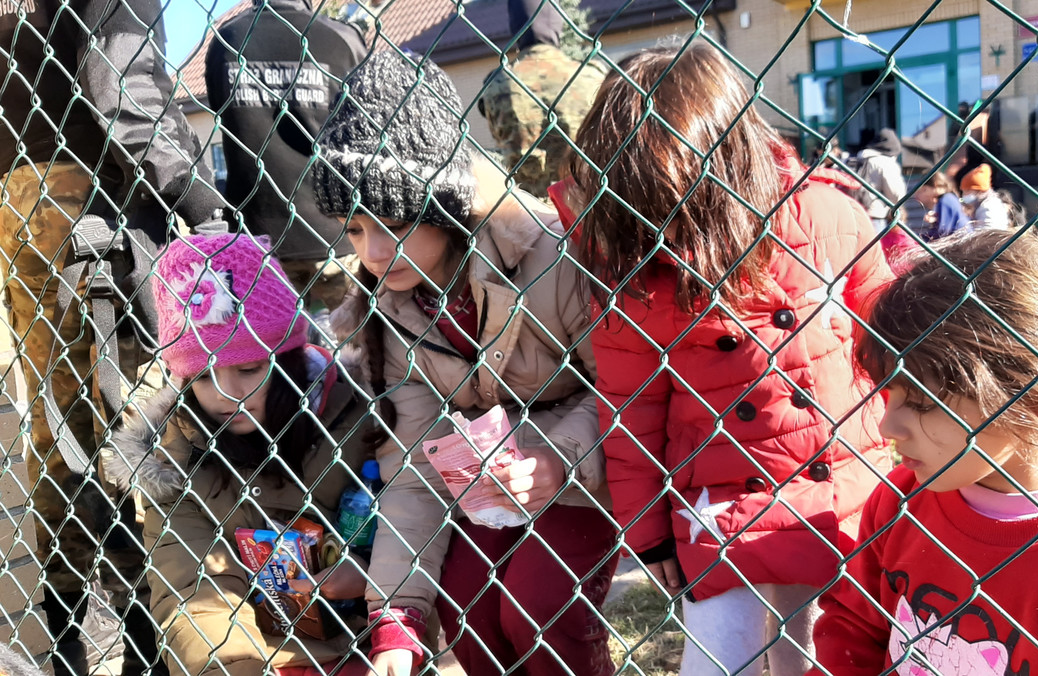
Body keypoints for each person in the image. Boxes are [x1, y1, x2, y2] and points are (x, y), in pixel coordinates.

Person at [563, 43, 894, 676]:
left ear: (730, 158)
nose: (663, 222)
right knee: (718, 658)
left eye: (673, 195)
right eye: (640, 201)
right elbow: (630, 413)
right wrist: (649, 532)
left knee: (831, 650)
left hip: (843, 490)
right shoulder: (635, 280)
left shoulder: (827, 216)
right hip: (721, 509)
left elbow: (889, 344)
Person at [313, 51, 615, 676]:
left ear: (442, 205)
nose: (370, 253)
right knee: (467, 613)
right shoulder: (391, 309)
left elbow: (627, 388)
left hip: (590, 468)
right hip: (486, 485)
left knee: (538, 608)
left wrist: (557, 458)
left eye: (392, 223)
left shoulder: (553, 260)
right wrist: (396, 618)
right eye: (351, 229)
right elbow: (415, 461)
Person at [0, 0, 225, 672]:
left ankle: (67, 633)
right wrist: (197, 196)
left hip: (19, 192)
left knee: (55, 424)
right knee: (130, 418)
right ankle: (142, 637)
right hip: (94, 194)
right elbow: (118, 81)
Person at [812, 228, 1038, 675]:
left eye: (921, 403)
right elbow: (854, 631)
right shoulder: (900, 501)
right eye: (888, 394)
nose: (887, 425)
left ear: (1033, 405)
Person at [101, 233, 376, 676]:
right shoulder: (172, 457)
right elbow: (193, 593)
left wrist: (372, 574)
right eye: (206, 376)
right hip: (250, 656)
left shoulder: (365, 419)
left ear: (287, 358)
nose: (230, 395)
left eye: (249, 368)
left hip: (370, 643)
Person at [206, 0, 368, 312]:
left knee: (275, 353)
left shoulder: (227, 39)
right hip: (337, 232)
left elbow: (221, 115)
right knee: (358, 348)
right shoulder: (340, 37)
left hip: (257, 234)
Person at [478, 0, 605, 196]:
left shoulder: (498, 82)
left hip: (525, 205)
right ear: (557, 22)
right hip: (581, 200)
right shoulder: (590, 75)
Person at [853, 128, 908, 233]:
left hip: (853, 213)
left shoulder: (857, 159)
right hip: (875, 215)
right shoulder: (885, 162)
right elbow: (896, 193)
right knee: (876, 248)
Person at [914, 171, 971, 241]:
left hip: (962, 242)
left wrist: (921, 239)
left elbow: (943, 230)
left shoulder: (945, 200)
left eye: (924, 190)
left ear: (935, 186)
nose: (917, 195)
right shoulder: (948, 198)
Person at [958, 164, 1010, 229]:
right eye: (963, 191)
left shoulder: (989, 207)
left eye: (967, 191)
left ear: (980, 191)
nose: (964, 195)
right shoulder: (982, 204)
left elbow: (988, 232)